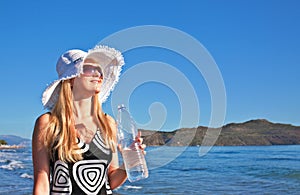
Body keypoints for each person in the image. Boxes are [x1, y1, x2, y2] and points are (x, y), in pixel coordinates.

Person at [32, 45, 145, 194]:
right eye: (89, 68)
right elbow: (42, 180)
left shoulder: (107, 123)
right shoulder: (49, 123)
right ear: (71, 79)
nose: (98, 74)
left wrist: (129, 163)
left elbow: (110, 181)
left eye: (99, 70)